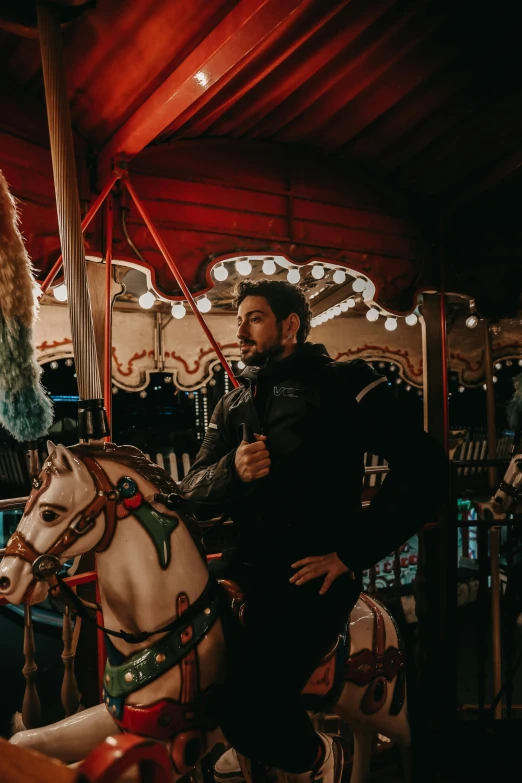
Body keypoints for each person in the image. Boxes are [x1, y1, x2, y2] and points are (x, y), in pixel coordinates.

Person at [179, 279, 448, 783]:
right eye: (238, 319)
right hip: (242, 572)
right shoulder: (233, 404)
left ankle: (325, 760)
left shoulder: (344, 384)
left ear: (290, 325)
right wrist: (231, 472)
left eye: (253, 317)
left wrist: (351, 552)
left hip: (310, 577)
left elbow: (425, 469)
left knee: (246, 711)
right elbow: (190, 491)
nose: (240, 328)